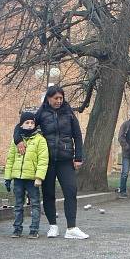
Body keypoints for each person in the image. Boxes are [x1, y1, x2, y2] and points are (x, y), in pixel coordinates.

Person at [14, 85, 89, 239]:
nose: (59, 101)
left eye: (61, 98)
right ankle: (52, 226)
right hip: (47, 161)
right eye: (56, 98)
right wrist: (18, 140)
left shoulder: (69, 113)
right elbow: (20, 125)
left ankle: (71, 228)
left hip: (65, 159)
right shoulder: (41, 114)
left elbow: (78, 135)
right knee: (48, 194)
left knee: (71, 191)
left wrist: (78, 157)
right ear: (48, 98)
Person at [5, 112, 49, 238]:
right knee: (18, 204)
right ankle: (17, 229)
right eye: (27, 123)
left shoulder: (40, 140)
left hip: (32, 179)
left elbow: (43, 160)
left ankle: (34, 229)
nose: (30, 125)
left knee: (35, 204)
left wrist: (39, 177)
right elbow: (10, 159)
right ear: (21, 124)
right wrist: (7, 177)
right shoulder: (16, 141)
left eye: (32, 123)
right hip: (18, 178)